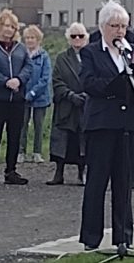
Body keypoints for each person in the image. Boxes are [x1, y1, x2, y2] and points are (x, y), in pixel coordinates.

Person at [79, 0, 134, 251]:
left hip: (131, 123)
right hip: (102, 123)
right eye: (114, 26)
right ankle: (91, 239)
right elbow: (88, 83)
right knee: (97, 182)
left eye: (123, 26)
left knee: (124, 183)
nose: (120, 31)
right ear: (103, 27)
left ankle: (123, 237)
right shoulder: (91, 52)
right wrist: (117, 85)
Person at [0, 10, 32, 186]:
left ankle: (11, 170)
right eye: (5, 26)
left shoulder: (20, 48)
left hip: (17, 99)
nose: (8, 30)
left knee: (15, 135)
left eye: (12, 27)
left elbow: (29, 66)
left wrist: (19, 79)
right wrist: (5, 81)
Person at [47, 22, 89, 185]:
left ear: (86, 38)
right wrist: (70, 96)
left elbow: (95, 78)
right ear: (68, 39)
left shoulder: (91, 57)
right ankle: (59, 172)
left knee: (83, 139)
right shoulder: (62, 58)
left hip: (85, 105)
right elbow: (56, 81)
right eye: (73, 36)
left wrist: (86, 95)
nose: (77, 39)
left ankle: (82, 173)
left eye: (80, 36)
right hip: (66, 105)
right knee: (62, 139)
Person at [18, 25, 52, 164]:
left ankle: (37, 152)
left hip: (40, 97)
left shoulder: (44, 57)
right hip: (23, 96)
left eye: (32, 38)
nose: (30, 40)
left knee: (38, 125)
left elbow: (45, 78)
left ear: (38, 40)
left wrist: (33, 92)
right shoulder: (21, 55)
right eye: (27, 38)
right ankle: (21, 152)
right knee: (22, 125)